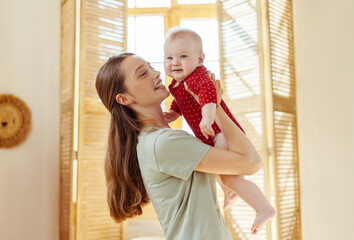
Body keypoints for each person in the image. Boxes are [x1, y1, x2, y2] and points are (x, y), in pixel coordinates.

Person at [95, 52, 263, 239]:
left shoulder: (155, 141)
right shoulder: (163, 143)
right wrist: (216, 106)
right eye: (143, 74)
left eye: (151, 67)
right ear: (124, 99)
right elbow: (251, 162)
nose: (156, 73)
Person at [163, 27, 275, 234]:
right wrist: (171, 114)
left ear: (200, 59)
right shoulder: (178, 84)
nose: (175, 62)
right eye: (169, 57)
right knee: (216, 170)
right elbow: (181, 104)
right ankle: (228, 190)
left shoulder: (198, 77)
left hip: (220, 133)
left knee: (232, 176)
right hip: (211, 136)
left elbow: (208, 93)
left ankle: (263, 208)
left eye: (183, 56)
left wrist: (208, 115)